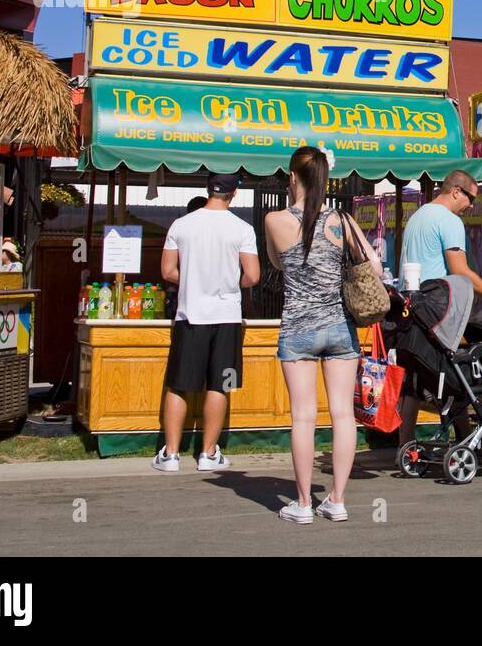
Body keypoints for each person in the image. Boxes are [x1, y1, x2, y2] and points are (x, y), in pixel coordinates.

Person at [264, 146, 379, 524]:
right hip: (339, 328)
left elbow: (278, 263)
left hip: (297, 328)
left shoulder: (274, 220)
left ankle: (301, 504)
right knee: (343, 414)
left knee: (303, 417)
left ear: (292, 178)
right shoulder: (342, 221)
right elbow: (373, 265)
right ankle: (337, 499)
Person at [153, 173, 260, 473]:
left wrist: (192, 281)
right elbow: (252, 276)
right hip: (226, 318)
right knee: (219, 385)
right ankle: (208, 453)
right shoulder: (242, 229)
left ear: (207, 190)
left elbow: (167, 270)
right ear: (234, 193)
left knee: (178, 385)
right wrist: (228, 283)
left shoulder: (181, 225)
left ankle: (171, 454)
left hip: (190, 315)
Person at [396, 170, 482, 445]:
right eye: (470, 198)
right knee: (455, 373)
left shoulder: (418, 216)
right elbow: (459, 270)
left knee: (415, 379)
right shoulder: (450, 220)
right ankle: (469, 437)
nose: (470, 206)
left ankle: (405, 444)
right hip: (439, 311)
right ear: (456, 191)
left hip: (412, 308)